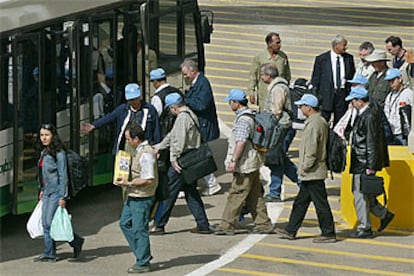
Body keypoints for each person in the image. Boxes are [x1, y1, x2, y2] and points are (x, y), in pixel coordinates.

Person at [275, 94, 336, 243]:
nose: (300, 108)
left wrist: (304, 168)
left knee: (320, 204)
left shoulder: (315, 124)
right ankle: (291, 230)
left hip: (313, 171)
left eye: (302, 106)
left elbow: (312, 148)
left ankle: (328, 233)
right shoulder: (316, 121)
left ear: (309, 107)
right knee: (301, 202)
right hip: (312, 171)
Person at [151, 93, 213, 234]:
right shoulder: (189, 113)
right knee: (191, 193)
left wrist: (173, 159)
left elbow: (178, 141)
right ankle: (202, 223)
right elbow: (172, 135)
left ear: (173, 108)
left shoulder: (182, 118)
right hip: (190, 161)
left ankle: (159, 224)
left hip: (181, 161)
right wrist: (160, 146)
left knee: (169, 192)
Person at [215, 89, 273, 235]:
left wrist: (233, 160)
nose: (229, 105)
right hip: (253, 162)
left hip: (244, 164)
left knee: (236, 193)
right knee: (255, 194)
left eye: (230, 102)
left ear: (236, 103)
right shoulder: (251, 115)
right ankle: (263, 223)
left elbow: (240, 142)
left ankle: (227, 224)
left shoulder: (242, 120)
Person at [345, 86, 394, 239]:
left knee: (360, 194)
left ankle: (364, 227)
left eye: (353, 101)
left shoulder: (369, 116)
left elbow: (372, 142)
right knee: (366, 194)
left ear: (360, 101)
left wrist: (370, 166)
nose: (351, 104)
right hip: (362, 160)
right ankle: (383, 214)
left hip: (363, 162)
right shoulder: (366, 114)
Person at [33, 123, 84, 262]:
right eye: (42, 135)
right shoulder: (44, 151)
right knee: (45, 222)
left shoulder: (59, 154)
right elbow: (43, 174)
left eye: (47, 135)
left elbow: (63, 176)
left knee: (50, 222)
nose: (43, 138)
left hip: (56, 192)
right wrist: (42, 190)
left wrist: (63, 196)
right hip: (47, 191)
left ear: (53, 136)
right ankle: (52, 251)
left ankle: (56, 250)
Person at [114, 121, 158, 274]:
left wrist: (129, 182)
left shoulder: (146, 154)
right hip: (133, 195)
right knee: (124, 223)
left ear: (136, 139)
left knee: (140, 229)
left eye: (128, 139)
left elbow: (148, 179)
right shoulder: (139, 151)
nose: (127, 142)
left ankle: (143, 261)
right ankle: (142, 252)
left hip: (142, 196)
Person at [80, 83, 160, 154]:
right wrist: (94, 125)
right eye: (131, 99)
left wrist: (156, 148)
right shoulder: (122, 109)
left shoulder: (150, 109)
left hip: (143, 147)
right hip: (126, 148)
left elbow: (156, 130)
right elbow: (109, 117)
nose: (134, 102)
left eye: (136, 98)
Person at [180, 58, 221, 196]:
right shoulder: (195, 83)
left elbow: (202, 104)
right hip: (199, 125)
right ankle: (204, 182)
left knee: (199, 155)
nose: (184, 77)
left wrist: (186, 101)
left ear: (193, 71)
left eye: (186, 74)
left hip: (202, 125)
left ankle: (211, 183)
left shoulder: (203, 83)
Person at [260, 63, 300, 202]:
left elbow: (276, 111)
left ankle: (276, 192)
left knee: (276, 159)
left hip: (281, 129)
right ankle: (301, 183)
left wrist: (267, 126)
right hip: (281, 128)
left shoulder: (277, 89)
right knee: (279, 158)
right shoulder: (278, 86)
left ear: (268, 76)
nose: (261, 77)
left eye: (262, 74)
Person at [311, 34, 355, 126]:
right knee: (323, 122)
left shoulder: (349, 58)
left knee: (340, 123)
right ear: (336, 46)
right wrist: (318, 96)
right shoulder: (322, 59)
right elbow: (315, 79)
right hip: (326, 95)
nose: (346, 48)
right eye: (344, 45)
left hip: (342, 95)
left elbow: (351, 77)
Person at [248, 32, 291, 111]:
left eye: (280, 42)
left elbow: (287, 75)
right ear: (269, 44)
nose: (280, 45)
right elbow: (253, 76)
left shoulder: (283, 57)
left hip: (279, 93)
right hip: (264, 94)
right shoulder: (259, 57)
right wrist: (252, 93)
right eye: (277, 43)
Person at [383, 68, 414, 145]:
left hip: (403, 133)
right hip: (391, 132)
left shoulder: (408, 93)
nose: (391, 84)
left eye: (393, 80)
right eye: (389, 81)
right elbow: (386, 112)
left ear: (400, 79)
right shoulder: (389, 96)